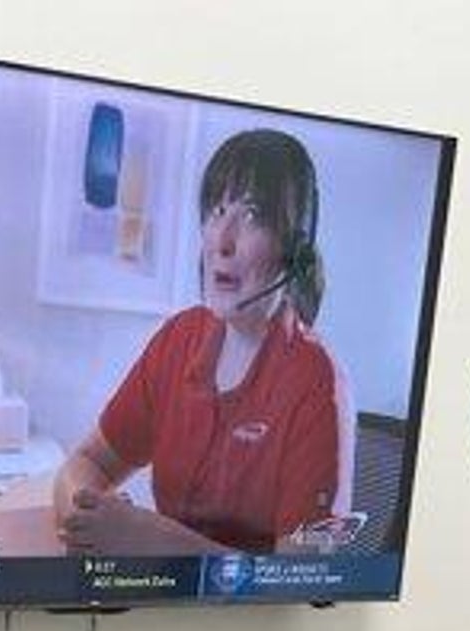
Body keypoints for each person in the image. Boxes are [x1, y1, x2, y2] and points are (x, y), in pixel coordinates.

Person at [55, 129, 342, 556]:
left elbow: (299, 578)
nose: (221, 241)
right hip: (157, 594)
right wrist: (87, 518)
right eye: (217, 211)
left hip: (217, 604)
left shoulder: (317, 381)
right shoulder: (180, 339)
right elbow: (88, 462)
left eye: (252, 216)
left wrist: (153, 542)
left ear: (295, 250)